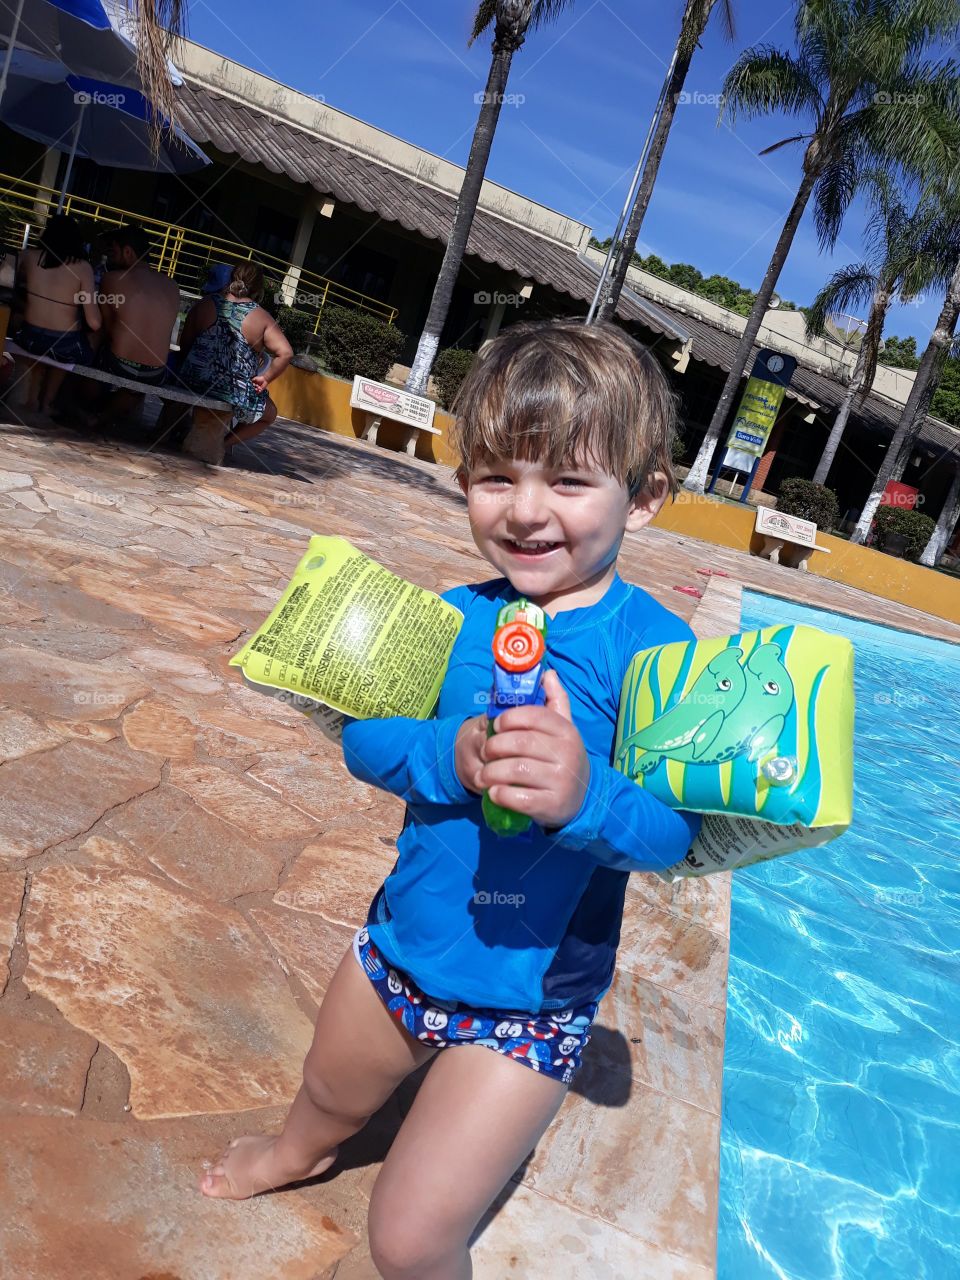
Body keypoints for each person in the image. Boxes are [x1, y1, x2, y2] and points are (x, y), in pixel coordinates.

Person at [199, 320, 702, 1280]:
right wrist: (452, 750)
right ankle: (299, 1153)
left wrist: (586, 794)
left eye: (566, 480)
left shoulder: (660, 651)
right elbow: (366, 741)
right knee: (326, 1097)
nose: (525, 510)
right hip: (402, 947)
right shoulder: (452, 616)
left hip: (531, 1004)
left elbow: (675, 837)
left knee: (411, 1239)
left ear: (643, 498)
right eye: (496, 477)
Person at [175, 261, 292, 453]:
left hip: (192, 380)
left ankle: (173, 429)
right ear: (258, 289)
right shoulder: (262, 317)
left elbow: (185, 345)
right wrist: (266, 378)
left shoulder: (205, 304)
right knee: (270, 413)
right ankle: (224, 444)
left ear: (231, 279)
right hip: (232, 392)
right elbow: (286, 353)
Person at [13, 215, 101, 412]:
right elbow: (94, 322)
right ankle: (49, 402)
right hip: (64, 345)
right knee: (77, 346)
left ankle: (33, 398)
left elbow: (8, 290)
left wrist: (28, 302)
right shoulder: (83, 268)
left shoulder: (27, 256)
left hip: (29, 338)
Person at [96, 223, 181, 386]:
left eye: (113, 252)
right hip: (155, 373)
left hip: (118, 365)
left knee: (91, 336)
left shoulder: (112, 278)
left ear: (127, 252)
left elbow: (105, 328)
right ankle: (108, 411)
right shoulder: (172, 285)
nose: (110, 258)